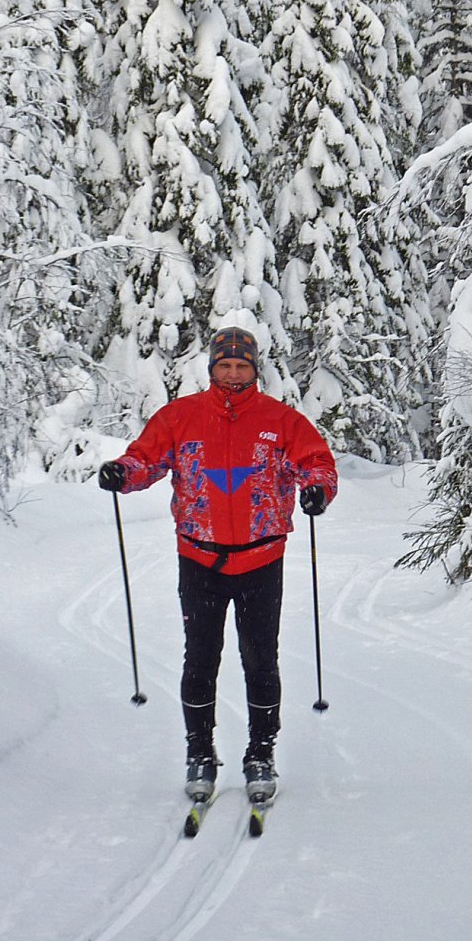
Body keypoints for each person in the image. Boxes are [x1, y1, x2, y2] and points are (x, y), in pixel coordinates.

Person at [98, 326, 337, 804]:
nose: (233, 373)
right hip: (199, 557)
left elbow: (318, 464)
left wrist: (317, 490)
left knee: (260, 660)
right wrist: (122, 473)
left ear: (255, 369)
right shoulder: (179, 417)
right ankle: (200, 752)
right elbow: (145, 460)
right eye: (225, 365)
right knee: (200, 658)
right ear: (212, 369)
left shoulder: (281, 420)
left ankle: (260, 753)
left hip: (261, 557)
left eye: (242, 365)